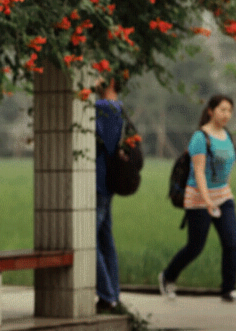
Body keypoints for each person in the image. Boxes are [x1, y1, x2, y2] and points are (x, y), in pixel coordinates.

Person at [159, 94, 236, 303]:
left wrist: (225, 189)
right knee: (195, 247)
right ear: (211, 111)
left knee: (232, 242)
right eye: (222, 110)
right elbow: (198, 172)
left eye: (229, 111)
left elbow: (228, 166)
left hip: (224, 196)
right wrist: (207, 201)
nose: (226, 115)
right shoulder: (200, 137)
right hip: (199, 198)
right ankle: (167, 276)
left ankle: (228, 289)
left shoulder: (227, 136)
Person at [94, 78, 124, 312]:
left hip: (99, 182)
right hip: (108, 183)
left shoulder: (107, 107)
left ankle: (107, 294)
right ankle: (113, 293)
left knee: (88, 241)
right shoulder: (117, 109)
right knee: (106, 241)